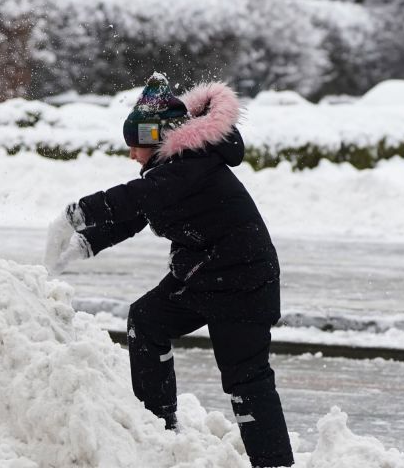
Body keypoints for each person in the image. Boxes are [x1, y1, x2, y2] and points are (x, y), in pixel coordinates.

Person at [43, 73, 294, 468]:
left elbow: (137, 198)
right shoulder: (174, 169)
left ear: (157, 137)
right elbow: (140, 213)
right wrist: (85, 244)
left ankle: (274, 463)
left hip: (242, 282)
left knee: (247, 379)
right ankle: (159, 426)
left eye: (135, 146)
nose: (131, 155)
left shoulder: (191, 165)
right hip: (204, 276)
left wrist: (75, 215)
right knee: (146, 320)